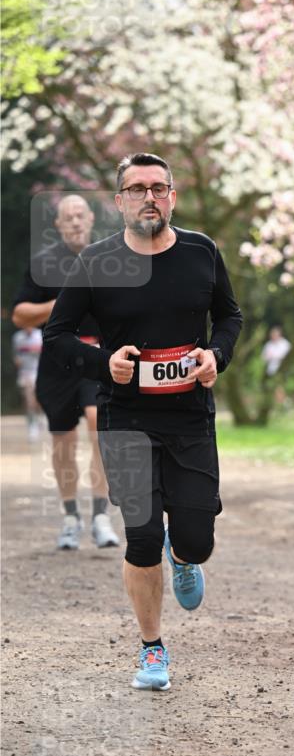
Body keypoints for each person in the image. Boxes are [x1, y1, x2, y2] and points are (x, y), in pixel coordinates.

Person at [43, 152, 242, 692]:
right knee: (142, 535)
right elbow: (57, 336)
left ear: (173, 196)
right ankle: (153, 648)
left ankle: (186, 557)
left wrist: (215, 357)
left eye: (158, 188)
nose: (149, 197)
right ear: (121, 201)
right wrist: (101, 363)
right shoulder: (96, 262)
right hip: (125, 416)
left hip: (190, 418)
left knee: (196, 538)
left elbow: (229, 316)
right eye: (137, 189)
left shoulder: (202, 251)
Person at [12, 195, 120, 549]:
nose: (75, 222)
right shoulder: (44, 264)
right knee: (63, 442)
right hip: (57, 360)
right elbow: (19, 314)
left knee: (96, 422)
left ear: (90, 219)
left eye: (80, 215)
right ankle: (72, 517)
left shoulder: (106, 259)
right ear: (57, 224)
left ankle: (101, 515)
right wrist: (61, 303)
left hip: (95, 357)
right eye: (67, 217)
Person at [12, 325, 43, 440]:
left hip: (39, 371)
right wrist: (17, 361)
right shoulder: (17, 337)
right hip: (25, 373)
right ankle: (32, 426)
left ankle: (40, 418)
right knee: (28, 400)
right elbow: (16, 355)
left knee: (38, 401)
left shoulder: (40, 335)